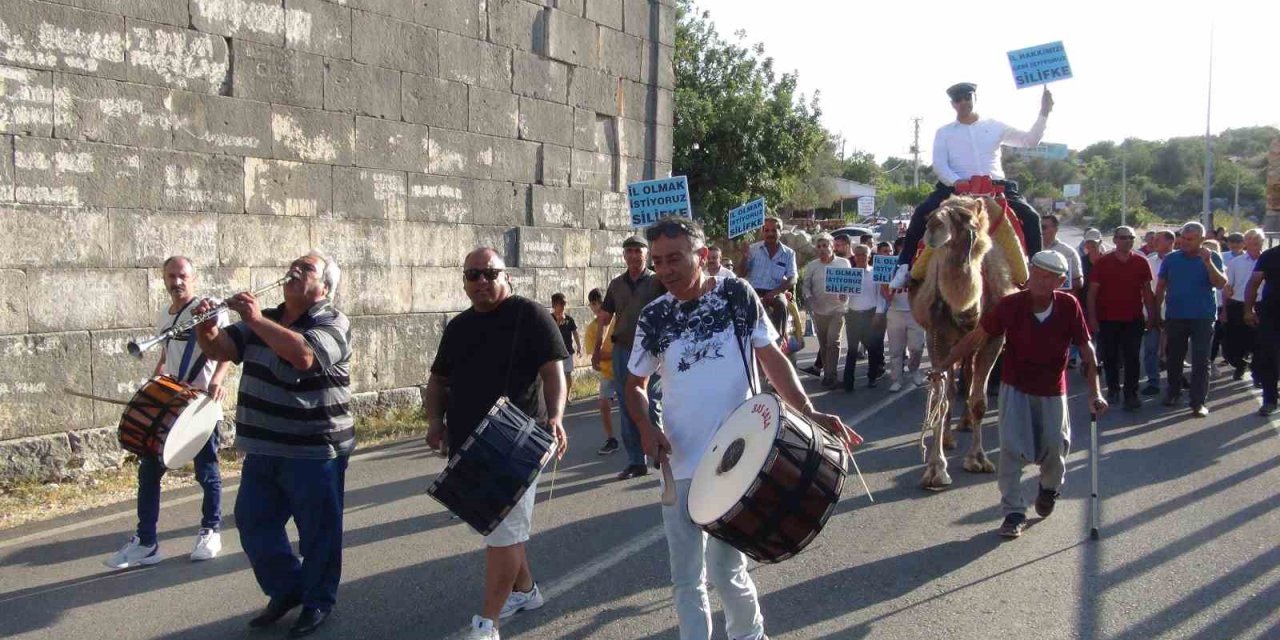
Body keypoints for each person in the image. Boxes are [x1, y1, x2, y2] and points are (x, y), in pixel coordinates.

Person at [624, 216, 861, 640]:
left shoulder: (735, 294)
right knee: (686, 577)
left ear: (701, 256)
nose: (665, 270)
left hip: (740, 457)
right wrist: (645, 424)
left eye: (674, 259)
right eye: (657, 261)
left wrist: (809, 412)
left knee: (725, 568)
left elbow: (772, 359)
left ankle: (749, 636)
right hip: (677, 462)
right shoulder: (654, 315)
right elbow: (635, 385)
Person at [194, 252, 351, 638]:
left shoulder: (333, 321)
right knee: (253, 522)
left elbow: (304, 355)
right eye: (293, 264)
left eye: (307, 268)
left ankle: (317, 602)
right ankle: (288, 588)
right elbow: (219, 351)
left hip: (316, 450)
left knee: (318, 533)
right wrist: (207, 326)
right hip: (264, 447)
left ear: (325, 287)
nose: (294, 270)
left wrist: (254, 320)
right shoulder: (267, 317)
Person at [424, 248, 570, 640]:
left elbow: (554, 372)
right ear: (465, 280)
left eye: (490, 273)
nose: (482, 281)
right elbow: (438, 380)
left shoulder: (531, 315)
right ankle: (526, 591)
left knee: (503, 531)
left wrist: (556, 416)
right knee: (497, 526)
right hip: (470, 445)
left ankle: (488, 624)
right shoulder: (458, 327)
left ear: (507, 276)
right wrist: (435, 421)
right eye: (473, 275)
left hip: (520, 441)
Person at [933, 251, 1107, 538]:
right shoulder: (1010, 305)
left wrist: (1095, 392)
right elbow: (977, 337)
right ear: (1029, 272)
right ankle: (1013, 512)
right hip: (1015, 389)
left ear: (1060, 281)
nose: (1041, 280)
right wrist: (942, 364)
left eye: (1049, 276)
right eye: (1037, 273)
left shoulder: (1068, 305)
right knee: (1011, 450)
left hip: (1052, 390)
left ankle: (1049, 489)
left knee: (1055, 448)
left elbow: (1087, 349)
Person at [104, 256, 231, 570]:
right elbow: (165, 354)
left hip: (201, 405)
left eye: (183, 275)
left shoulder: (208, 308)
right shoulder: (165, 314)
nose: (177, 281)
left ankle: (210, 531)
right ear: (164, 279)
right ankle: (146, 542)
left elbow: (228, 348)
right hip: (172, 406)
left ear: (193, 277)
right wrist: (153, 383)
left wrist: (217, 380)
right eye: (171, 276)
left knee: (207, 472)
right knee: (149, 473)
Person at [897, 82, 1051, 267]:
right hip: (956, 189)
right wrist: (957, 182)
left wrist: (1044, 112)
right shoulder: (944, 132)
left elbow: (1030, 140)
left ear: (974, 98)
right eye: (958, 99)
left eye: (967, 97)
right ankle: (903, 266)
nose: (963, 102)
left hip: (996, 187)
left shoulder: (994, 126)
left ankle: (1038, 267)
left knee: (1032, 217)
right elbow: (939, 165)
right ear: (952, 104)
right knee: (921, 213)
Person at [595, 235, 663, 480]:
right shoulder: (616, 284)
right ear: (624, 256)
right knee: (626, 405)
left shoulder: (657, 281)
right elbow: (604, 317)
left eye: (638, 250)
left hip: (651, 348)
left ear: (646, 254)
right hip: (622, 349)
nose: (634, 255)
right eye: (630, 251)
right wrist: (596, 350)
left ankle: (659, 452)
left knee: (652, 402)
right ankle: (636, 461)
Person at [1154, 222, 1227, 417]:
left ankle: (1198, 402)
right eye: (1183, 239)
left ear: (1201, 240)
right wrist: (1155, 313)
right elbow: (1160, 286)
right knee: (1174, 358)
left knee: (1201, 361)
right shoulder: (1171, 259)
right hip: (1176, 316)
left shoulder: (1212, 258)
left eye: (1190, 239)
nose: (1184, 242)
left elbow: (1220, 284)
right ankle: (1173, 392)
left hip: (1202, 317)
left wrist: (1208, 263)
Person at [1086, 226, 1158, 410]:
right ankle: (1112, 389)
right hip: (1107, 319)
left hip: (1133, 319)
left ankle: (1131, 394)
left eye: (1131, 238)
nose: (1127, 241)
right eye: (1123, 237)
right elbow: (1092, 293)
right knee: (1110, 357)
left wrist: (1152, 316)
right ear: (1115, 240)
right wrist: (1092, 319)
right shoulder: (1103, 263)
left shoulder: (1141, 262)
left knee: (1132, 357)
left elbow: (1147, 292)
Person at [800, 233, 850, 388]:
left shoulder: (844, 263)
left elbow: (850, 284)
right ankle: (827, 374)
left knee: (833, 341)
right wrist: (808, 297)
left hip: (838, 309)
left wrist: (845, 293)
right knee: (823, 344)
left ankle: (831, 376)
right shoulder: (812, 266)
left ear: (832, 247)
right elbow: (806, 285)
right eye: (819, 246)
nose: (822, 249)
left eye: (825, 246)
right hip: (819, 310)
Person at [738, 217, 797, 339]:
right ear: (763, 232)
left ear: (780, 232)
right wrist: (744, 257)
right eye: (767, 230)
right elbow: (741, 274)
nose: (770, 233)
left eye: (774, 230)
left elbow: (793, 278)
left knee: (781, 304)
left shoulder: (789, 253)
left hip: (775, 291)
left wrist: (774, 293)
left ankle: (777, 340)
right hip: (754, 290)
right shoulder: (753, 249)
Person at [1042, 214, 1085, 367]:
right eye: (1040, 227)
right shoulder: (1031, 247)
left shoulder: (1068, 252)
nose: (1042, 231)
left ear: (1055, 229)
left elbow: (1079, 281)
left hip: (1057, 308)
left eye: (1045, 227)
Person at [843, 244, 887, 391]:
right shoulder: (849, 274)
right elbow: (844, 298)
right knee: (852, 351)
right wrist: (841, 296)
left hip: (870, 314)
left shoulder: (875, 273)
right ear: (854, 257)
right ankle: (848, 382)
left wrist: (878, 313)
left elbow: (880, 296)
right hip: (853, 315)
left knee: (873, 349)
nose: (861, 257)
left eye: (864, 254)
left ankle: (872, 377)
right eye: (858, 254)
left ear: (869, 256)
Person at [1244, 241, 1280, 415]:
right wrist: (1248, 310)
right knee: (1268, 357)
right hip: (1271, 315)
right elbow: (1254, 283)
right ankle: (1270, 400)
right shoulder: (1270, 255)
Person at [1223, 229, 1263, 381]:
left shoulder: (1268, 260)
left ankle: (1258, 372)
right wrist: (1224, 311)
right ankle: (1239, 364)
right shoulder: (1235, 263)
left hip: (1261, 306)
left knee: (1259, 343)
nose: (1254, 245)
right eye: (1250, 241)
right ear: (1245, 243)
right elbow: (1227, 288)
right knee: (1231, 346)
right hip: (1237, 306)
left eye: (1257, 241)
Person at [585, 288, 619, 454]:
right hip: (607, 373)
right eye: (593, 303)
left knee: (634, 406)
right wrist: (615, 353)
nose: (597, 306)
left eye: (599, 302)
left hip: (623, 369)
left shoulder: (617, 321)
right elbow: (596, 354)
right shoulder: (591, 329)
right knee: (603, 404)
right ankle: (611, 439)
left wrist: (611, 354)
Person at [1142, 230, 1175, 396]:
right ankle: (1153, 382)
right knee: (1150, 349)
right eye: (1153, 239)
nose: (1153, 241)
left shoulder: (1179, 260)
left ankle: (1173, 382)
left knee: (1174, 350)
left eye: (1158, 239)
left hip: (1174, 313)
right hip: (1151, 313)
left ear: (1170, 242)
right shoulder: (1149, 261)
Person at [883, 271, 926, 391]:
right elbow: (886, 295)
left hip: (914, 312)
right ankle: (897, 379)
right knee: (895, 350)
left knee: (917, 347)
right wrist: (886, 288)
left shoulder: (918, 265)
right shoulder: (891, 266)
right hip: (895, 313)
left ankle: (914, 368)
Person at [550, 292, 582, 390]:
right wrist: (558, 323)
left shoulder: (569, 319)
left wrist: (579, 346)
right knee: (555, 376)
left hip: (568, 351)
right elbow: (550, 334)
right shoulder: (550, 319)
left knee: (567, 374)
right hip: (555, 353)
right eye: (561, 304)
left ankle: (567, 396)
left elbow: (575, 332)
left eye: (564, 304)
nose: (563, 307)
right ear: (554, 305)